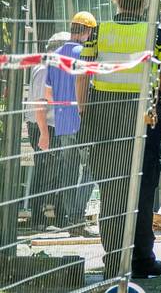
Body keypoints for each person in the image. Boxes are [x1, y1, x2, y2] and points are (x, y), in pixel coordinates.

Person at [77, 0, 161, 279]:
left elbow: (83, 74)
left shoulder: (100, 31)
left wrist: (83, 110)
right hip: (142, 119)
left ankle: (113, 262)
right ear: (144, 0)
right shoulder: (152, 34)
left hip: (105, 120)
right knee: (143, 191)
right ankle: (143, 260)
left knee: (111, 190)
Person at [41, 12, 96, 234]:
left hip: (63, 122)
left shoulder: (54, 57)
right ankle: (77, 216)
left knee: (68, 171)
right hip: (82, 120)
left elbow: (48, 95)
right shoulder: (85, 55)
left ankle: (71, 218)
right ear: (88, 31)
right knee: (91, 170)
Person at [26, 32, 68, 230]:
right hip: (43, 126)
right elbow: (39, 104)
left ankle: (51, 215)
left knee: (52, 171)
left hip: (49, 126)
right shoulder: (44, 69)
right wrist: (44, 133)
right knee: (44, 172)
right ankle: (38, 217)